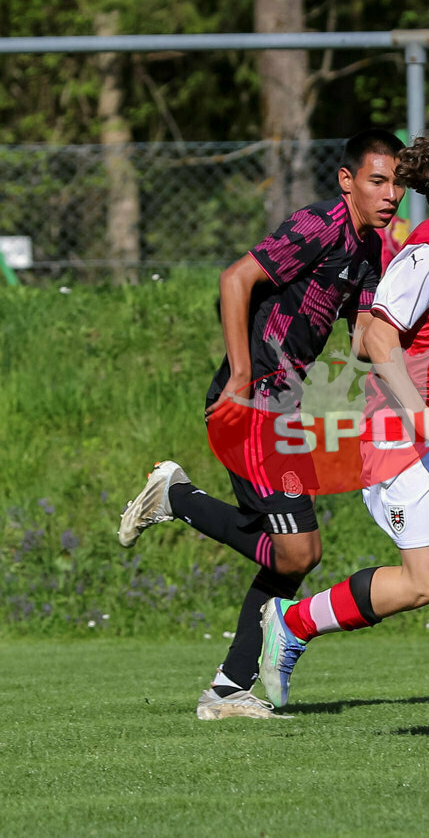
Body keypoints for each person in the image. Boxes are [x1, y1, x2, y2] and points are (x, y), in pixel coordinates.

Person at [258, 122, 429, 741]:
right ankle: (293, 622)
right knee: (424, 583)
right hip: (401, 431)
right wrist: (417, 412)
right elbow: (375, 339)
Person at [117, 129, 406, 720]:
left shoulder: (375, 249)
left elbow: (363, 342)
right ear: (347, 180)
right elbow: (234, 280)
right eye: (379, 180)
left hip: (287, 409)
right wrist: (242, 374)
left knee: (299, 553)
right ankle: (178, 502)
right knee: (296, 552)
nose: (392, 194)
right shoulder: (318, 224)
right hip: (251, 405)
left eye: (398, 182)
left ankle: (227, 686)